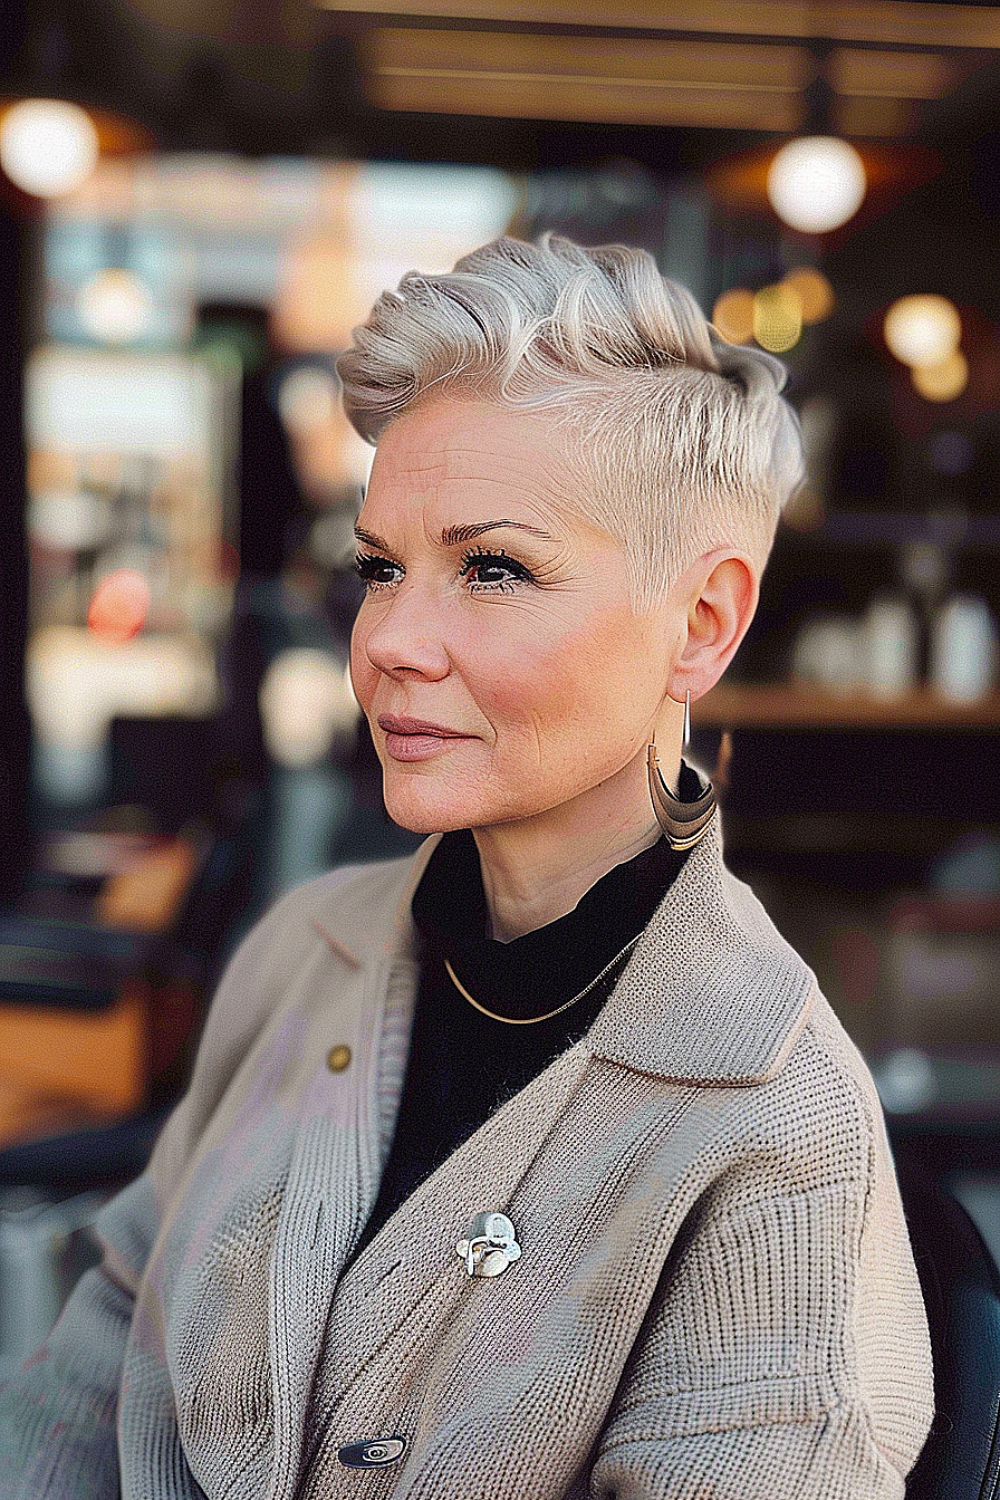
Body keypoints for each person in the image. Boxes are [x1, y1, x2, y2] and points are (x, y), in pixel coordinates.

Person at [1, 234, 933, 1497]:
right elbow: (112, 1333)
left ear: (702, 624)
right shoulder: (304, 949)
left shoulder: (773, 1130)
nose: (389, 640)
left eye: (491, 568)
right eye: (380, 568)